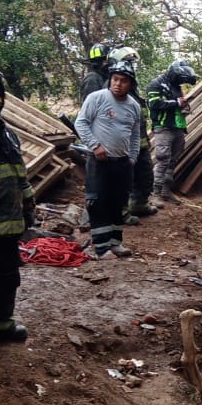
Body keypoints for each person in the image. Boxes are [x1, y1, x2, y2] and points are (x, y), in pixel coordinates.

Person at [0, 63, 35, 361]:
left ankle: (1, 323)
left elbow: (20, 176)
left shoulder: (6, 134)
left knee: (7, 277)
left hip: (8, 223)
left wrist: (29, 207)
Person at [75, 58, 141, 258]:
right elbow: (81, 123)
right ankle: (102, 247)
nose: (117, 84)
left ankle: (115, 242)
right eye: (115, 79)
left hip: (122, 163)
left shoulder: (134, 106)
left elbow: (135, 135)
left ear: (130, 84)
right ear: (110, 79)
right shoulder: (97, 98)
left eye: (123, 80)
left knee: (118, 202)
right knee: (98, 202)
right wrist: (95, 145)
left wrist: (132, 157)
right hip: (99, 162)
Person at [106, 46, 159, 218]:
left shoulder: (131, 87)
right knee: (121, 180)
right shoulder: (109, 91)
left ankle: (139, 204)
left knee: (144, 175)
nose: (131, 66)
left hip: (139, 143)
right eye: (128, 62)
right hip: (121, 147)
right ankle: (120, 212)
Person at [146, 60, 198, 202]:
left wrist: (183, 106)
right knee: (163, 159)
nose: (181, 82)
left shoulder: (175, 86)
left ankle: (165, 191)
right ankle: (154, 194)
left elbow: (177, 104)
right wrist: (176, 103)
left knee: (173, 160)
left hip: (177, 126)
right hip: (163, 128)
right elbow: (154, 104)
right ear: (174, 74)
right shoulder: (156, 84)